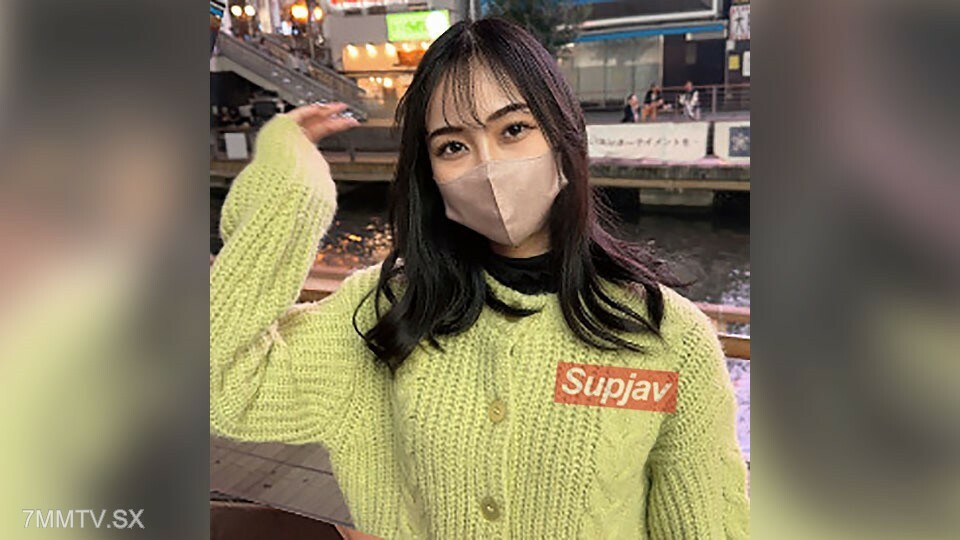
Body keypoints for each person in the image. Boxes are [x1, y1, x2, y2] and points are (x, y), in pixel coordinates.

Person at [210, 17, 749, 539]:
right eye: (452, 146)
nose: (487, 166)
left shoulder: (666, 337)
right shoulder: (387, 312)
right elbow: (220, 383)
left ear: (562, 135)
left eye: (514, 129)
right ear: (430, 173)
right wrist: (289, 193)